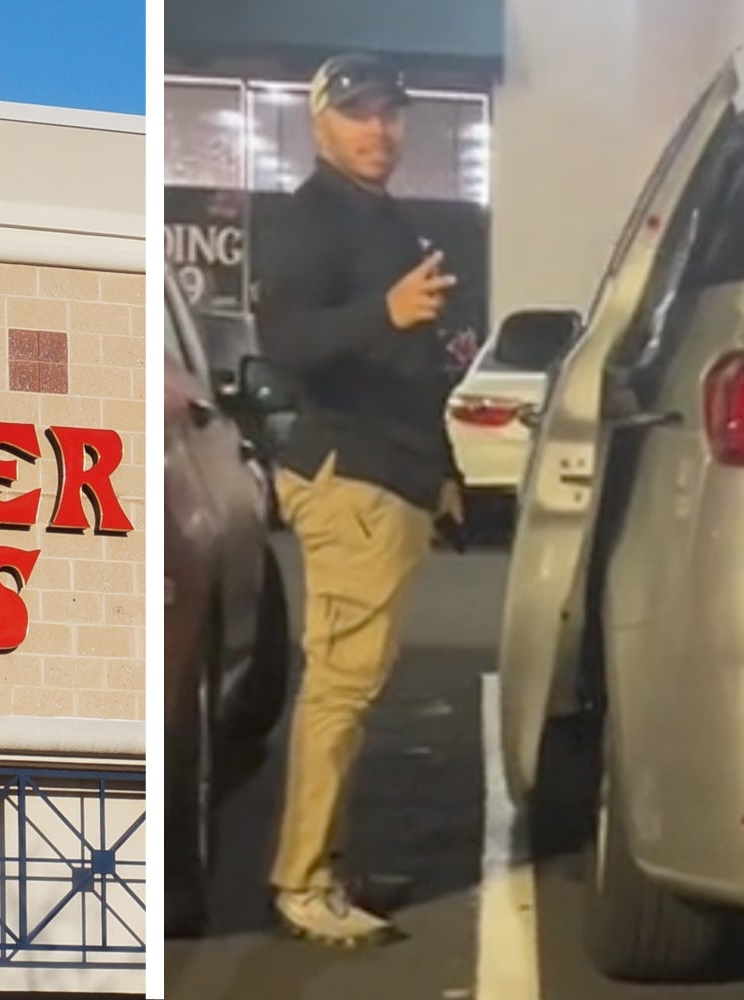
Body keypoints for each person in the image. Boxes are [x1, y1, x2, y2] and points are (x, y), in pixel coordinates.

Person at [250, 52, 466, 948]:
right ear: (321, 124)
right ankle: (303, 884)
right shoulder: (311, 217)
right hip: (351, 477)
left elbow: (407, 368)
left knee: (356, 682)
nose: (379, 129)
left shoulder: (383, 217)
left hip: (395, 473)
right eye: (359, 113)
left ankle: (328, 864)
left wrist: (443, 467)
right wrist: (387, 311)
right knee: (340, 685)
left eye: (390, 113)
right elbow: (287, 340)